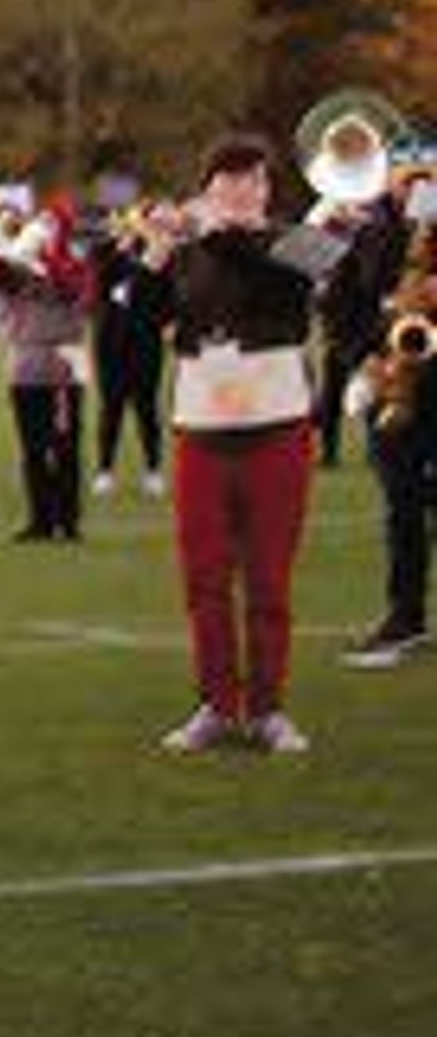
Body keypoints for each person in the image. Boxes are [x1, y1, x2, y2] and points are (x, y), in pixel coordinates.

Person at [149, 136, 348, 751]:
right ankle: (216, 702)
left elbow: (278, 264)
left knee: (269, 579)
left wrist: (207, 230)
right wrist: (153, 257)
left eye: (250, 181)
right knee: (204, 578)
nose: (237, 192)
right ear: (207, 187)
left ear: (267, 189)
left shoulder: (297, 242)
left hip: (277, 427)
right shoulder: (191, 249)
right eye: (225, 181)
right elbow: (139, 316)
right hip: (201, 428)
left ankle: (267, 706)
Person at [338, 176, 436, 667]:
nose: (414, 184)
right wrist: (363, 361)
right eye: (404, 174)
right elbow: (340, 305)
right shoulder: (369, 231)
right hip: (391, 384)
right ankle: (405, 616)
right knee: (401, 506)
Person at [0, 209, 93, 542]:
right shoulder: (18, 270)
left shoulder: (76, 265)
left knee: (65, 447)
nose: (41, 231)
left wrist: (48, 256)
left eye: (51, 225)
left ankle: (67, 521)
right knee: (32, 449)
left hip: (63, 368)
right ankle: (39, 519)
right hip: (26, 367)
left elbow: (73, 290)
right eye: (40, 224)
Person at [93, 207, 172, 499]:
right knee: (111, 407)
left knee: (146, 408)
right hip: (111, 341)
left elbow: (164, 295)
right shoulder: (104, 252)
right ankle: (105, 470)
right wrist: (120, 246)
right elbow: (100, 286)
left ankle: (153, 470)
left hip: (146, 341)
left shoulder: (157, 255)